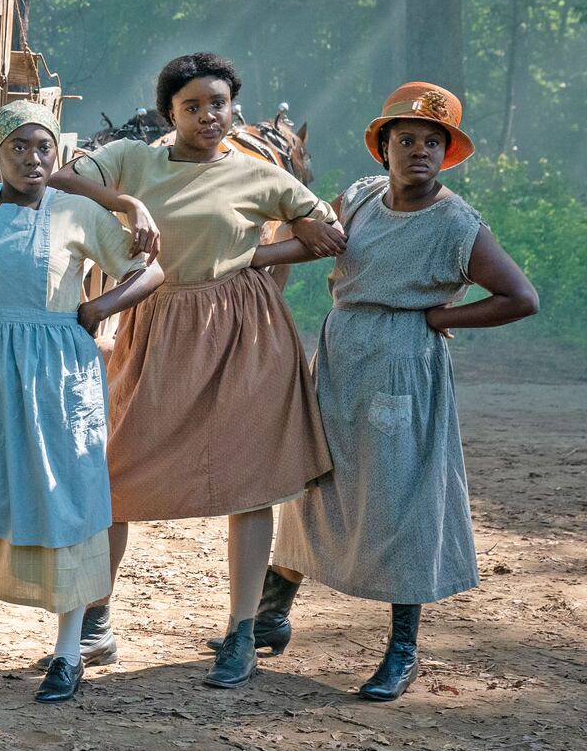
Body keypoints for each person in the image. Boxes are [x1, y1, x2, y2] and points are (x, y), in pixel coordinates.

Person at [51, 52, 344, 688]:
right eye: (192, 106)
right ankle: (96, 616)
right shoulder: (136, 160)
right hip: (156, 326)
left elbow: (327, 230)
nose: (209, 116)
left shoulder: (258, 174)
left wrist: (263, 257)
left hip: (245, 333)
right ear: (170, 114)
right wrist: (128, 204)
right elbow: (63, 179)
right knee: (117, 475)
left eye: (219, 103)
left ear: (233, 106)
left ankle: (241, 630)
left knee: (250, 481)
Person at [252, 83, 537, 701]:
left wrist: (441, 319)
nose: (418, 151)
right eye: (405, 139)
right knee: (314, 481)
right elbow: (313, 242)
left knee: (399, 498)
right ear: (384, 147)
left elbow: (521, 297)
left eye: (432, 142)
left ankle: (402, 649)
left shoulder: (456, 223)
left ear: (447, 153)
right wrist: (252, 255)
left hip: (404, 366)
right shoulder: (356, 199)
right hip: (339, 356)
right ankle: (271, 614)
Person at [0, 100, 164, 703]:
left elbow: (148, 271)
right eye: (18, 146)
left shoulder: (77, 211)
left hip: (51, 369)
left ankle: (70, 649)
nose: (33, 158)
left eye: (44, 147)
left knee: (59, 489)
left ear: (57, 155)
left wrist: (97, 309)